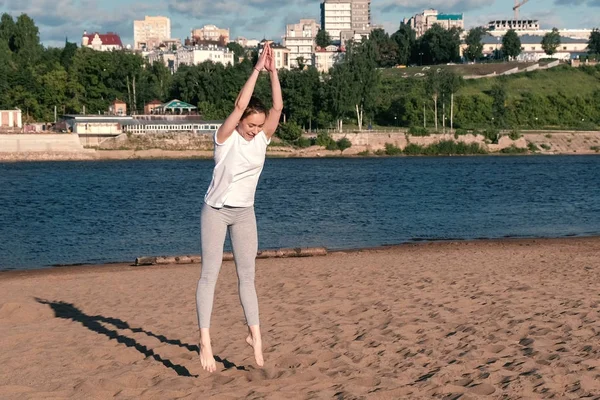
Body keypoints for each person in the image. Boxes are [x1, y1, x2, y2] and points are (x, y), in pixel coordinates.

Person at [196, 42, 282, 373]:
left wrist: (274, 73)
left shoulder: (261, 139)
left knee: (248, 277)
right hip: (216, 211)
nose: (255, 130)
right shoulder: (225, 138)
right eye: (250, 125)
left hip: (245, 213)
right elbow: (240, 103)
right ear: (240, 121)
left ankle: (255, 338)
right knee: (210, 275)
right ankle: (205, 339)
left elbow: (277, 106)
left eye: (259, 126)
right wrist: (258, 68)